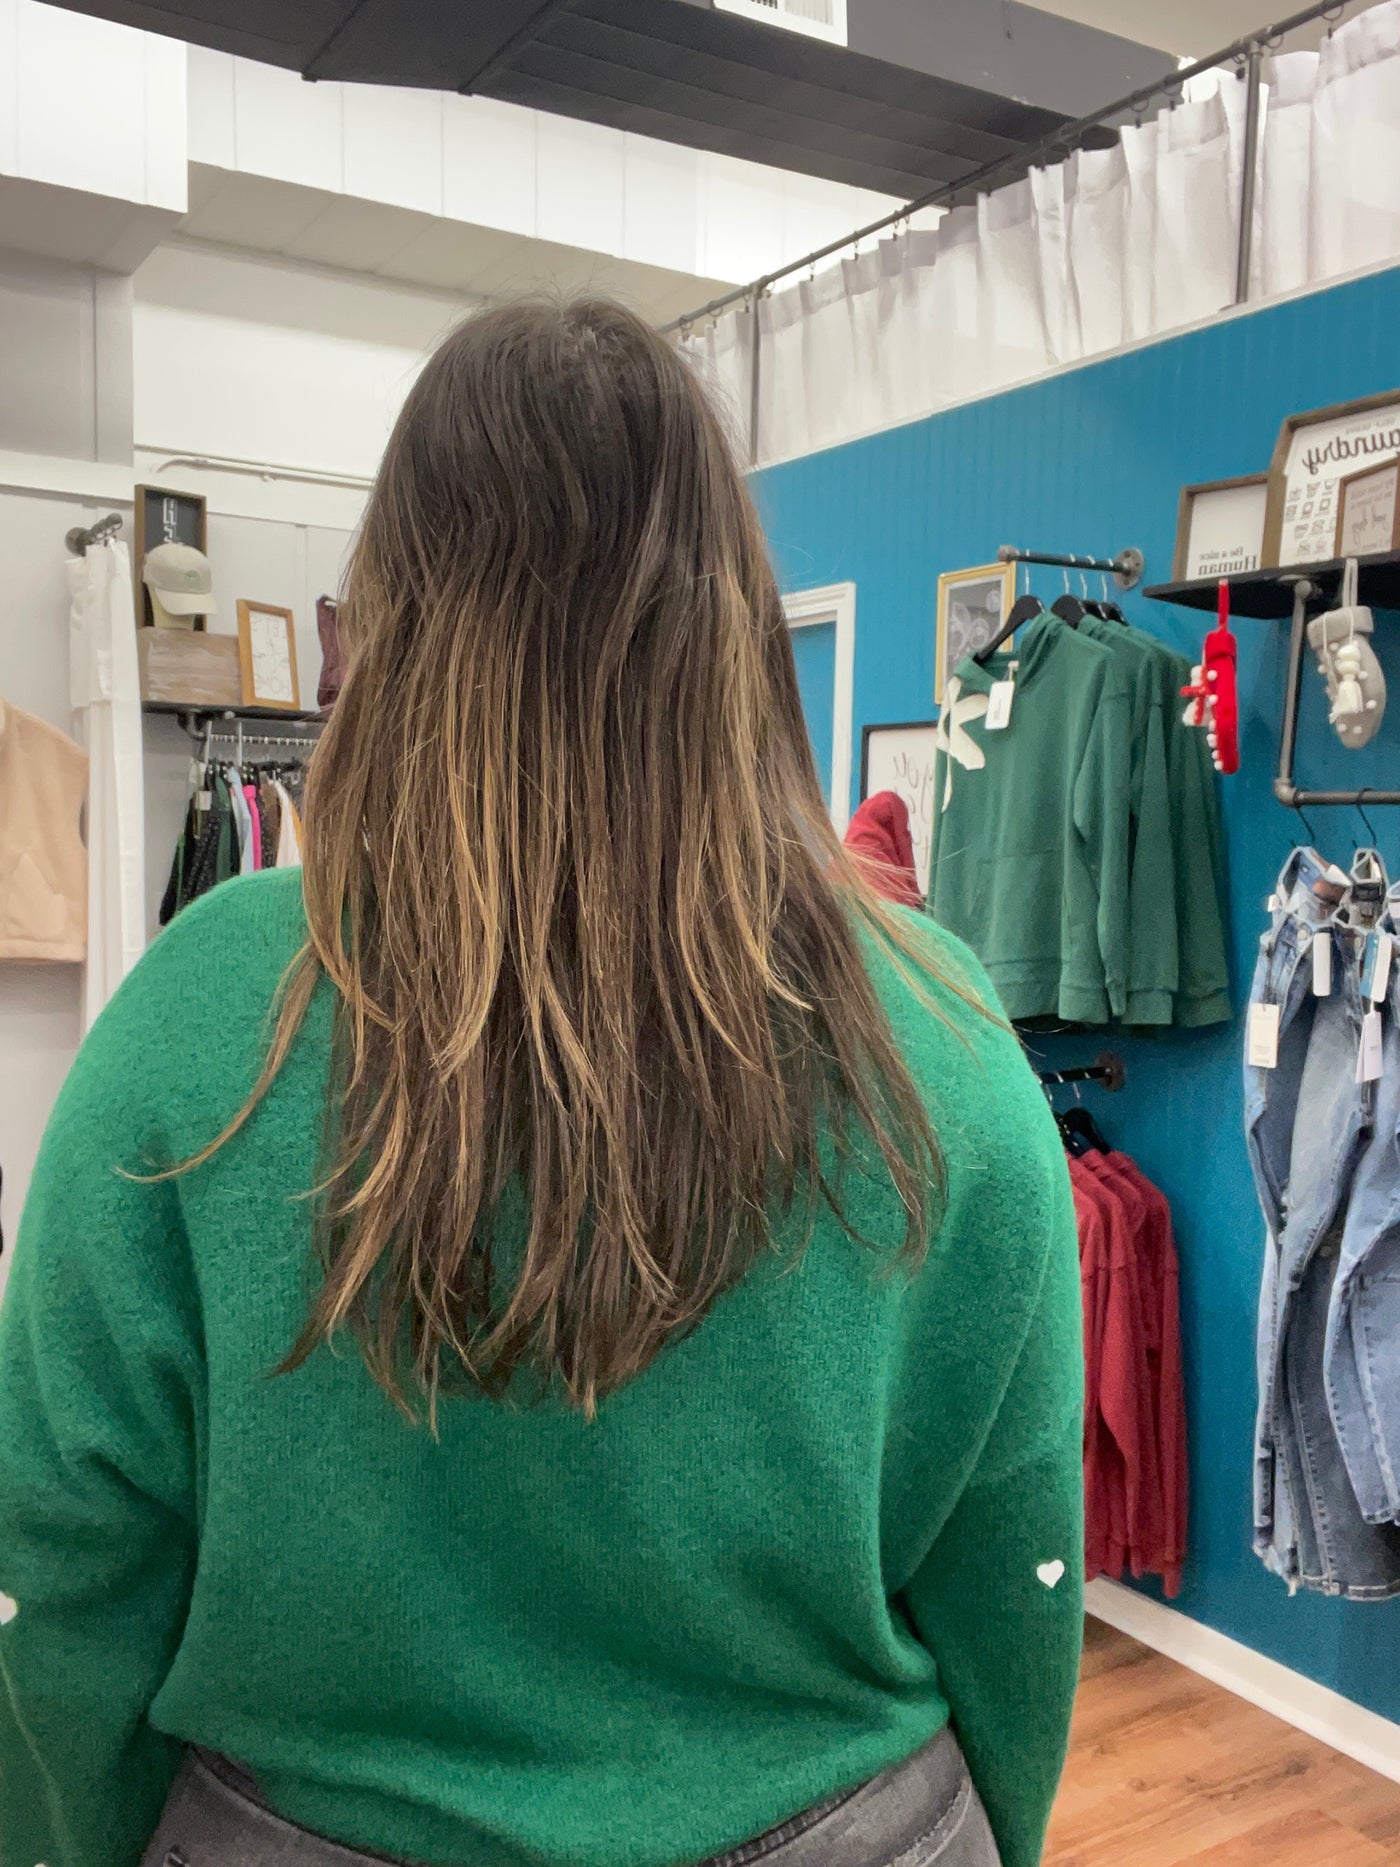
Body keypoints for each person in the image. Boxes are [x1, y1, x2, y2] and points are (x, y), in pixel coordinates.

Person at [0, 299, 1083, 1867]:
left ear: (390, 612)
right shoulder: (940, 1031)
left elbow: (67, 1553)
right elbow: (1015, 1569)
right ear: (737, 625)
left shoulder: (207, 1009)